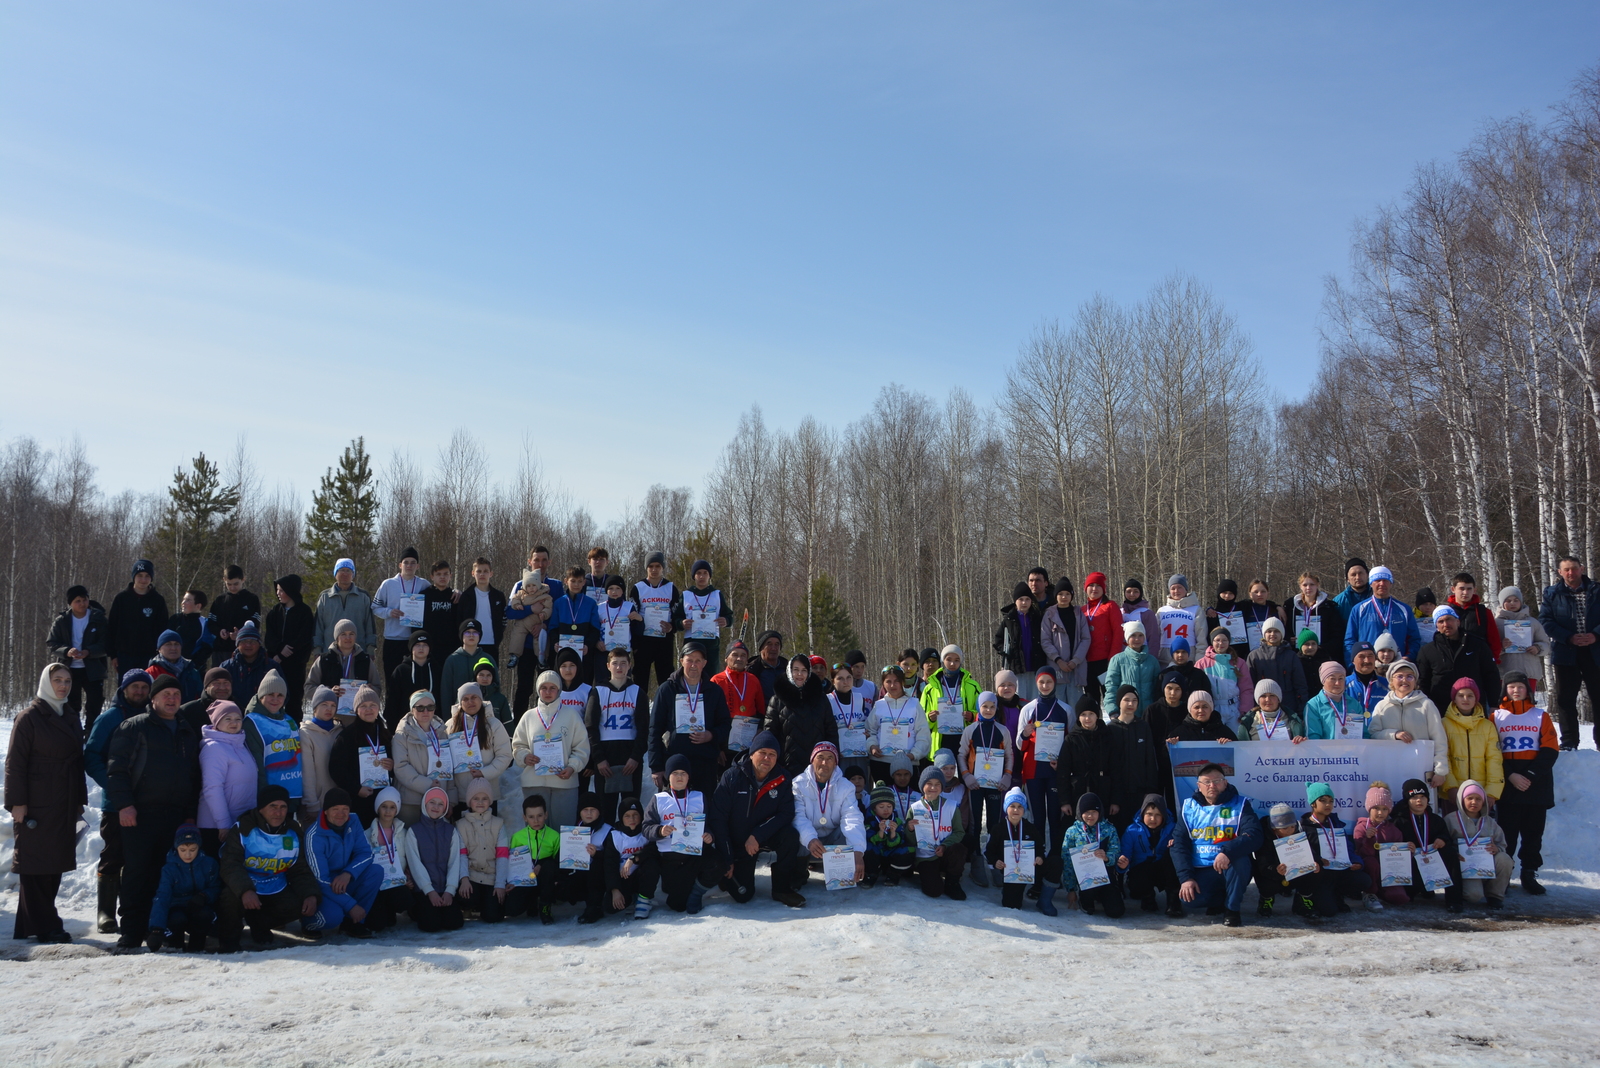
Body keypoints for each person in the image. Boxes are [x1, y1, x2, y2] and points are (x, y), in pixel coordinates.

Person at [106, 673, 202, 948]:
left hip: (174, 816)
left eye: (176, 695)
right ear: (154, 698)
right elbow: (117, 770)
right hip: (140, 814)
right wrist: (125, 805)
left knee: (165, 874)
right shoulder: (134, 727)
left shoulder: (186, 730)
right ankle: (132, 932)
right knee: (137, 873)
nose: (172, 699)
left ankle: (158, 929)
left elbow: (193, 776)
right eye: (166, 695)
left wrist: (189, 813)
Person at [5, 664, 86, 943]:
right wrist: (17, 802)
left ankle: (31, 923)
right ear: (45, 682)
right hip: (37, 800)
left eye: (67, 681)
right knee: (35, 862)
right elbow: (15, 763)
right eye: (57, 680)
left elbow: (78, 762)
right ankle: (46, 925)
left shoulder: (71, 715)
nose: (63, 685)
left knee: (53, 863)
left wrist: (79, 800)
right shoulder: (29, 717)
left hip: (63, 798)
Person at [84, 667, 151, 932]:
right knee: (114, 855)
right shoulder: (110, 718)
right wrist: (114, 787)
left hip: (146, 800)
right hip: (116, 803)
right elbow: (91, 757)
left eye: (145, 687)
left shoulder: (151, 717)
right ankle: (105, 912)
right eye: (135, 686)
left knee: (139, 859)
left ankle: (133, 911)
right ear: (123, 689)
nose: (140, 691)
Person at [707, 730, 805, 908]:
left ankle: (782, 888)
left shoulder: (783, 778)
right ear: (752, 754)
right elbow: (718, 819)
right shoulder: (731, 777)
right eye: (763, 753)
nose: (767, 758)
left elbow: (786, 813)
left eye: (772, 754)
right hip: (736, 842)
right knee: (743, 895)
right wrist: (727, 857)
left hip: (761, 836)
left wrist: (757, 835)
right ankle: (726, 873)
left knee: (790, 835)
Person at [1491, 670, 1558, 896]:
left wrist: (1529, 775)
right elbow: (1492, 752)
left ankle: (1529, 873)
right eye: (1512, 687)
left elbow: (1550, 750)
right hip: (1508, 783)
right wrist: (1511, 775)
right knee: (1507, 833)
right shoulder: (1496, 717)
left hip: (1535, 784)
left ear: (1527, 690)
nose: (1516, 690)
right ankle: (1505, 874)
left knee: (1533, 834)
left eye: (1520, 686)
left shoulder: (1541, 716)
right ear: (1505, 690)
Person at [1170, 762, 1261, 926]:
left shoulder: (1240, 805)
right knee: (1191, 901)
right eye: (1207, 782)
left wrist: (1227, 852)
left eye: (1217, 781)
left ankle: (1232, 910)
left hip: (1230, 866)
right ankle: (1219, 900)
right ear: (1199, 786)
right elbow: (1179, 844)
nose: (1212, 785)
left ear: (1225, 783)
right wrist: (1186, 878)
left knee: (1240, 860)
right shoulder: (1189, 807)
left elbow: (1254, 835)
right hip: (1203, 869)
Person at [640, 755, 721, 914]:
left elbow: (710, 823)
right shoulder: (659, 799)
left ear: (689, 777)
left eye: (683, 773)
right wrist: (659, 830)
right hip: (670, 858)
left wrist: (709, 834)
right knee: (677, 905)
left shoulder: (699, 797)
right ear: (667, 776)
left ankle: (696, 893)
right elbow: (646, 827)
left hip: (694, 854)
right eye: (675, 773)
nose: (679, 777)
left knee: (719, 863)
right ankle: (681, 890)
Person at [512, 669, 592, 830]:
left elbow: (581, 747)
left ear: (559, 690)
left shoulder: (571, 715)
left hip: (564, 783)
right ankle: (538, 857)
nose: (548, 692)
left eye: (552, 688)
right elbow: (518, 745)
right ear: (538, 690)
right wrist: (525, 757)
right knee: (536, 830)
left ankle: (561, 857)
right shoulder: (529, 716)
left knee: (563, 830)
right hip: (534, 783)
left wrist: (572, 767)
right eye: (544, 688)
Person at [1539, 556, 1600, 750]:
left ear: (1581, 569)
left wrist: (1595, 635)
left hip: (1595, 652)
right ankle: (1569, 742)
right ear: (1560, 572)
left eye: (1574, 568)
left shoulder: (1597, 590)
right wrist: (1568, 637)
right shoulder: (1552, 593)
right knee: (1565, 700)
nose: (1570, 573)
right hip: (1566, 653)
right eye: (1566, 569)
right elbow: (1546, 621)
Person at [305, 787, 382, 938]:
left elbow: (366, 853)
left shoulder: (353, 821)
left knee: (376, 871)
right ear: (326, 811)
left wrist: (348, 873)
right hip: (323, 886)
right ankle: (308, 923)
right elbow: (320, 879)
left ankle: (352, 924)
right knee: (333, 916)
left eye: (345, 809)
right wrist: (351, 905)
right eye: (335, 809)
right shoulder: (314, 835)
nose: (341, 814)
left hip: (344, 878)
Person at [790, 741, 867, 890]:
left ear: (835, 763)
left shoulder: (846, 787)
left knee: (849, 833)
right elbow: (798, 817)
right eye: (820, 757)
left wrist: (858, 851)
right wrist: (810, 839)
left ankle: (841, 876)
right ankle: (798, 873)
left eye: (830, 758)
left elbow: (852, 818)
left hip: (833, 837)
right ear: (812, 760)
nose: (824, 762)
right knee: (793, 833)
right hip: (809, 841)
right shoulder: (798, 784)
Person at [957, 691, 1014, 888]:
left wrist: (1007, 776)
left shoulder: (1002, 730)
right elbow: (962, 754)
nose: (988, 710)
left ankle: (994, 862)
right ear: (979, 708)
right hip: (975, 784)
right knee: (974, 824)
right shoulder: (971, 730)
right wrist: (966, 775)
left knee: (994, 822)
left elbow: (1009, 754)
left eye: (992, 706)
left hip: (995, 785)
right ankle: (976, 860)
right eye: (984, 706)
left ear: (996, 708)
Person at [586, 648, 647, 821]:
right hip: (606, 756)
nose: (619, 667)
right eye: (615, 663)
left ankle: (631, 845)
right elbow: (591, 727)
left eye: (623, 663)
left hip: (630, 757)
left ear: (629, 666)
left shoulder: (638, 692)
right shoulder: (598, 692)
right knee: (606, 810)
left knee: (631, 809)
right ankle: (607, 846)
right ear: (608, 666)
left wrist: (635, 757)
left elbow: (643, 729)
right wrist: (598, 759)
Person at [1369, 659, 1449, 788]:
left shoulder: (1426, 705)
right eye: (1399, 676)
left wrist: (1440, 771)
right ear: (1391, 681)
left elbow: (1439, 739)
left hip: (1420, 770)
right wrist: (1394, 734)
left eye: (1409, 676)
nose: (1405, 680)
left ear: (1415, 681)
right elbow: (1373, 734)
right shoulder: (1382, 706)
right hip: (1391, 770)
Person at [328, 688, 395, 830]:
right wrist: (357, 789)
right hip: (357, 800)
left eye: (373, 705)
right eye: (363, 706)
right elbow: (336, 769)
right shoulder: (346, 736)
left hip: (382, 800)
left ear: (378, 708)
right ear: (356, 710)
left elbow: (396, 764)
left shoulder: (385, 734)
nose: (369, 709)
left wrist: (392, 766)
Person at [145, 824, 220, 952]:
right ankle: (175, 945)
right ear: (176, 848)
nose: (187, 854)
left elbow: (216, 887)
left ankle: (197, 947)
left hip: (199, 907)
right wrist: (156, 929)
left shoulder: (209, 864)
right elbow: (162, 897)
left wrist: (204, 896)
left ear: (199, 847)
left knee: (204, 916)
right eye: (183, 850)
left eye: (192, 849)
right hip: (177, 909)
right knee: (177, 919)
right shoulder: (169, 869)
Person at [1299, 782, 1371, 915]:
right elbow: (1304, 852)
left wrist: (1355, 862)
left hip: (1338, 871)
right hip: (1319, 875)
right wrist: (1318, 860)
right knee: (1329, 912)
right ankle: (1303, 900)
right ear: (1313, 803)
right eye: (1323, 801)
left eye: (1331, 801)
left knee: (1363, 880)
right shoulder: (1304, 827)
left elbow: (1347, 847)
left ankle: (1337, 895)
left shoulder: (1336, 823)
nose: (1328, 805)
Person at [198, 700, 258, 858]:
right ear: (217, 722)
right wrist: (223, 824)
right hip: (217, 827)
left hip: (238, 823)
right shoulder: (214, 748)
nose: (234, 723)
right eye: (228, 718)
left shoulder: (240, 744)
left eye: (238, 719)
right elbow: (212, 789)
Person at [1395, 778, 1464, 913]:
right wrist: (1404, 847)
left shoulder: (1436, 820)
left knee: (1450, 853)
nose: (1419, 801)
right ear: (1407, 800)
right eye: (1414, 797)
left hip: (1432, 865)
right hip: (1412, 866)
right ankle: (1418, 890)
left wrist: (1442, 839)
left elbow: (1447, 837)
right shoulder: (1399, 821)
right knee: (1407, 896)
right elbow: (1392, 846)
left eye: (1422, 797)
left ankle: (1454, 900)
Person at [1417, 606, 1502, 715]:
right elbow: (1423, 682)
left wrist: (1494, 704)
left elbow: (1491, 675)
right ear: (1436, 626)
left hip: (1474, 709)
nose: (1446, 624)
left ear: (1458, 621)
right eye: (1441, 621)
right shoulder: (1427, 651)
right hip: (1441, 711)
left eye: (1449, 619)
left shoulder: (1477, 645)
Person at [403, 787, 466, 932]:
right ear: (425, 804)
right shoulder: (414, 831)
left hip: (445, 888)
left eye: (440, 804)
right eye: (432, 802)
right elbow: (415, 864)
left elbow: (454, 861)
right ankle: (416, 910)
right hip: (424, 890)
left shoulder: (450, 830)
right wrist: (429, 891)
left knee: (454, 923)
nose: (436, 807)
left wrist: (450, 890)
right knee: (430, 926)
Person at [446, 681, 514, 812]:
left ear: (481, 699)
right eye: (465, 699)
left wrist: (484, 773)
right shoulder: (450, 726)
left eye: (474, 697)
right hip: (460, 794)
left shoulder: (494, 724)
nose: (470, 702)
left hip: (487, 793)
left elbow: (505, 755)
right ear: (460, 703)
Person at [47, 586, 109, 729]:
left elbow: (106, 643)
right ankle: (73, 733)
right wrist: (67, 651)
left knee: (95, 703)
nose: (82, 603)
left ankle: (91, 734)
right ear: (70, 603)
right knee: (71, 705)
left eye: (84, 599)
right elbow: (52, 643)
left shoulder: (98, 619)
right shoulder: (61, 621)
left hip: (93, 670)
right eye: (77, 601)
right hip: (69, 670)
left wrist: (89, 652)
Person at [242, 670, 304, 808]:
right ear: (261, 695)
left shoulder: (289, 720)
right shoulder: (252, 722)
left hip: (292, 794)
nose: (275, 699)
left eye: (280, 695)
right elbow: (256, 765)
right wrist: (264, 799)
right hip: (269, 798)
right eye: (270, 694)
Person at [1440, 678, 1505, 808]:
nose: (1466, 699)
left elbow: (1494, 759)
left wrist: (1492, 791)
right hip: (1453, 793)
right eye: (1461, 695)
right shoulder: (1444, 724)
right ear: (1454, 699)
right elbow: (1443, 757)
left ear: (1476, 699)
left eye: (1470, 696)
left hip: (1480, 795)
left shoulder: (1487, 726)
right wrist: (1450, 786)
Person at [1106, 683, 1163, 833]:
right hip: (1119, 793)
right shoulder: (1111, 729)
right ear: (1119, 702)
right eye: (1126, 700)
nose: (1131, 704)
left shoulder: (1143, 727)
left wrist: (1150, 791)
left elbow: (1150, 759)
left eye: (1134, 700)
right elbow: (1108, 764)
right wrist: (1113, 798)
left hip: (1140, 792)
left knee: (1140, 831)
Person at [502, 549, 555, 709]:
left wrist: (544, 625)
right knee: (524, 688)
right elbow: (510, 612)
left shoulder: (556, 585)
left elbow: (559, 612)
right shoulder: (520, 585)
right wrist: (530, 609)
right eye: (536, 560)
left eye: (544, 560)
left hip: (545, 645)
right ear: (529, 562)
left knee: (548, 689)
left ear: (549, 562)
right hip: (524, 646)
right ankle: (519, 727)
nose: (540, 564)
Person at [1253, 802, 1322, 922]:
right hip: (1274, 876)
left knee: (1314, 872)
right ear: (1275, 828)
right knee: (1263, 878)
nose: (1290, 830)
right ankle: (1266, 900)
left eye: (1292, 826)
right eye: (1285, 828)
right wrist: (1275, 869)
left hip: (1295, 873)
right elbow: (1262, 863)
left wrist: (1316, 863)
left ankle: (1303, 901)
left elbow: (1312, 853)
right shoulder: (1265, 838)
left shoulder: (1299, 834)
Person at [453, 779, 509, 925]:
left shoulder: (499, 824)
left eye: (484, 798)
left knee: (493, 917)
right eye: (475, 798)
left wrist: (499, 884)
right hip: (471, 876)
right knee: (466, 898)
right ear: (469, 801)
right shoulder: (461, 825)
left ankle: (485, 903)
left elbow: (502, 857)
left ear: (490, 801)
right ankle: (470, 905)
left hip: (491, 876)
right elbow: (462, 855)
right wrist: (464, 879)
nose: (480, 802)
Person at [393, 690, 453, 824]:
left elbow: (449, 767)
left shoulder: (442, 732)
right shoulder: (402, 734)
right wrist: (427, 784)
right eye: (420, 708)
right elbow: (401, 767)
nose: (425, 711)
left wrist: (451, 799)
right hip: (411, 800)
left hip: (438, 799)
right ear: (412, 709)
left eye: (430, 707)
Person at [907, 765, 967, 899]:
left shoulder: (951, 806)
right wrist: (910, 830)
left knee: (959, 849)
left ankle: (952, 882)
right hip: (925, 856)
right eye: (929, 784)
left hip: (946, 853)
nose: (933, 788)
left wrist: (945, 846)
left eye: (937, 784)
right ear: (922, 786)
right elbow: (910, 841)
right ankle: (930, 874)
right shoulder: (915, 808)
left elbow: (959, 832)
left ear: (942, 786)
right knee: (934, 892)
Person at [1450, 779, 1512, 909]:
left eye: (1478, 799)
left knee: (1505, 859)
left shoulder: (1490, 822)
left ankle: (1495, 895)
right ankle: (1467, 888)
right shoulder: (1450, 820)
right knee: (1474, 897)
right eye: (1470, 798)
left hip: (1487, 865)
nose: (1474, 802)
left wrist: (1497, 849)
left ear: (1483, 801)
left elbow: (1502, 844)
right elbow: (1444, 842)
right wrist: (1454, 853)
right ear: (1462, 799)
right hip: (1465, 868)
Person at [1061, 792, 1125, 917]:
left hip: (1105, 877)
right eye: (1086, 812)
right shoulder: (1072, 832)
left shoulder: (1109, 829)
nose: (1090, 816)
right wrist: (1071, 889)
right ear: (1080, 812)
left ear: (1099, 812)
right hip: (1085, 879)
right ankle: (1085, 900)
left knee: (1116, 912)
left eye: (1094, 812)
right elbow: (1067, 861)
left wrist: (1107, 857)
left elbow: (1116, 851)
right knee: (1089, 908)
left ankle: (1104, 896)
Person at [106, 559, 170, 678]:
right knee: (126, 690)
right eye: (140, 575)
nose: (143, 580)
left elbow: (162, 628)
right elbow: (112, 628)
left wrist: (161, 653)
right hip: (125, 655)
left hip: (149, 656)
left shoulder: (157, 600)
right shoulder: (121, 599)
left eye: (147, 576)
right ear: (134, 576)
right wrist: (113, 655)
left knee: (148, 689)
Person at [1122, 794, 1183, 917]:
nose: (1152, 818)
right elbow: (1125, 853)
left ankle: (1173, 901)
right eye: (1149, 814)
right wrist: (1123, 863)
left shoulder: (1173, 828)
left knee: (1173, 855)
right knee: (1137, 879)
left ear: (1164, 816)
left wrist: (1176, 844)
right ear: (1143, 814)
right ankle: (1147, 897)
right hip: (1142, 869)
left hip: (1164, 869)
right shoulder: (1132, 830)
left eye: (1157, 815)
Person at [502, 793, 560, 924]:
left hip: (545, 876)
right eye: (531, 817)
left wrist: (543, 864)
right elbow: (513, 862)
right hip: (525, 877)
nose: (536, 820)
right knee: (512, 910)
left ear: (546, 815)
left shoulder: (554, 836)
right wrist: (510, 880)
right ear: (524, 818)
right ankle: (531, 902)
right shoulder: (518, 837)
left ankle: (545, 906)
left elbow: (557, 861)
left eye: (540, 816)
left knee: (549, 868)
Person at [1343, 565, 1421, 662]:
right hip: (1369, 665)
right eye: (1377, 581)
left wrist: (1408, 658)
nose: (1382, 584)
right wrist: (1354, 665)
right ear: (1371, 583)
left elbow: (1414, 639)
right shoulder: (1359, 609)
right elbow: (1350, 640)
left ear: (1391, 583)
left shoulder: (1404, 609)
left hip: (1397, 666)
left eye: (1385, 580)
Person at [865, 665, 927, 786]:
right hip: (881, 762)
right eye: (888, 681)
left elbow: (923, 734)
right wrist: (872, 746)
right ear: (883, 683)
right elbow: (869, 730)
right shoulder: (879, 705)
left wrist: (914, 754)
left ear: (903, 682)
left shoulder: (914, 704)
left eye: (897, 681)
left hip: (907, 763)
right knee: (883, 803)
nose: (892, 685)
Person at [304, 618, 383, 712]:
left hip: (358, 716)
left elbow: (377, 689)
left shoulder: (365, 660)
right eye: (343, 634)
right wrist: (327, 692)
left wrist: (369, 690)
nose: (348, 638)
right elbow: (309, 688)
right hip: (329, 715)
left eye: (351, 634)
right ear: (336, 637)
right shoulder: (324, 660)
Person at [263, 575, 314, 717]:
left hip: (295, 664)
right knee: (273, 697)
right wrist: (278, 651)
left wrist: (289, 650)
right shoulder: (274, 612)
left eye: (281, 590)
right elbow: (269, 637)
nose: (278, 593)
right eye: (277, 590)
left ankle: (294, 730)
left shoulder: (304, 612)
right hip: (276, 663)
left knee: (294, 699)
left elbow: (304, 637)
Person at [917, 644, 979, 760]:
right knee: (942, 776)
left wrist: (972, 716)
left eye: (956, 660)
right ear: (943, 661)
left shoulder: (973, 686)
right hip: (941, 739)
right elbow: (919, 718)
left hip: (964, 739)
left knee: (964, 776)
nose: (952, 664)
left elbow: (983, 712)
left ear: (961, 662)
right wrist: (930, 718)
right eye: (948, 659)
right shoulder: (930, 688)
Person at [985, 786, 1043, 910]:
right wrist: (996, 862)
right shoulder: (998, 828)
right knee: (1011, 905)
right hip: (1008, 870)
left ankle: (1043, 897)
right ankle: (1009, 890)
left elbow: (1039, 847)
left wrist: (1039, 857)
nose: (1016, 810)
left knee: (1053, 863)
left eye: (1020, 806)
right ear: (1006, 808)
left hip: (1027, 868)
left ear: (1024, 809)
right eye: (1012, 806)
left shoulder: (1030, 828)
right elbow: (989, 851)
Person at [1352, 782, 1407, 908]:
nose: (1380, 813)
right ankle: (1370, 893)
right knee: (1371, 862)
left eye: (1384, 809)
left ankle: (1384, 891)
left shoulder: (1394, 829)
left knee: (1400, 899)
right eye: (1376, 808)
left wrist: (1408, 850)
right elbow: (1361, 854)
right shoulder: (1361, 827)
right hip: (1370, 869)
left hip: (1389, 870)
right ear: (1369, 808)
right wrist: (1369, 839)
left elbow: (1400, 855)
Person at [363, 787, 411, 931]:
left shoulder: (404, 833)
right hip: (376, 885)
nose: (388, 811)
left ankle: (390, 910)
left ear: (397, 810)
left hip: (396, 881)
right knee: (377, 925)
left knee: (406, 900)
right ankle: (382, 911)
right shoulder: (367, 834)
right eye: (384, 806)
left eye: (392, 807)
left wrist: (407, 876)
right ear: (378, 808)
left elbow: (410, 858)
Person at [1062, 696, 1113, 829]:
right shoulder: (1071, 739)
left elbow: (1116, 769)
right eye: (1083, 714)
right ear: (1078, 717)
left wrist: (1116, 801)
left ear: (1097, 715)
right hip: (1077, 792)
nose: (1087, 718)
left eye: (1091, 714)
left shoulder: (1107, 736)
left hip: (1103, 791)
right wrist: (1065, 801)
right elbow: (1063, 772)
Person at [601, 797, 656, 919]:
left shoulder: (646, 832)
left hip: (642, 874)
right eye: (627, 816)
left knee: (652, 863)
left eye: (635, 815)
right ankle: (631, 899)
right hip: (623, 878)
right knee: (610, 907)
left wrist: (634, 858)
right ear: (621, 817)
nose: (632, 819)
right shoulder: (615, 836)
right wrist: (614, 889)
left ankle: (644, 900)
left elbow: (653, 851)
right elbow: (610, 864)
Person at [632, 552, 678, 694]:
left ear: (662, 567)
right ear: (646, 568)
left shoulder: (671, 587)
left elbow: (678, 614)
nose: (654, 569)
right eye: (651, 566)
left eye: (657, 566)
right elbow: (633, 616)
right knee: (640, 678)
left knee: (666, 678)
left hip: (663, 639)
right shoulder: (638, 587)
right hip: (643, 640)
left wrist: (672, 627)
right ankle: (640, 712)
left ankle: (666, 711)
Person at [712, 640, 766, 763]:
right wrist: (717, 748)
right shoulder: (716, 680)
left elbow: (761, 710)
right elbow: (709, 716)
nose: (739, 658)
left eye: (743, 655)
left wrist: (760, 730)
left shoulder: (753, 680)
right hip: (724, 739)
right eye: (735, 654)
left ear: (747, 660)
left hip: (749, 738)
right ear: (726, 658)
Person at [298, 686, 344, 826]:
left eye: (333, 705)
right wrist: (311, 804)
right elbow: (307, 772)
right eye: (324, 705)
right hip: (317, 803)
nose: (329, 709)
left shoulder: (340, 731)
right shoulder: (306, 734)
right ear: (315, 708)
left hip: (338, 803)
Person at [312, 559, 376, 658]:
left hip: (358, 654)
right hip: (329, 654)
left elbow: (370, 626)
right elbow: (318, 627)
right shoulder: (325, 597)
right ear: (335, 573)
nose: (345, 574)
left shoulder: (363, 597)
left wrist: (370, 650)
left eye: (348, 570)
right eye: (341, 570)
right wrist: (317, 650)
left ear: (353, 574)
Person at [673, 560, 731, 670]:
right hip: (692, 641)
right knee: (691, 672)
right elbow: (675, 618)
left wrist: (726, 621)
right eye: (698, 573)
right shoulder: (686, 595)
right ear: (694, 576)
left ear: (709, 576)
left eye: (705, 573)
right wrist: (681, 623)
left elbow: (728, 615)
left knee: (711, 676)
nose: (702, 576)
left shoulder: (717, 594)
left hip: (711, 643)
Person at [1195, 626, 1254, 734]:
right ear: (1212, 641)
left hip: (1234, 710)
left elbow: (1246, 689)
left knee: (1236, 740)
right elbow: (1196, 691)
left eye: (1224, 640)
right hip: (1212, 709)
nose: (1221, 643)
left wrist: (1244, 711)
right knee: (1215, 741)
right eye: (1217, 640)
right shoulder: (1202, 664)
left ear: (1229, 642)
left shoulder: (1239, 662)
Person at [1247, 617, 1308, 720]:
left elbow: (1300, 685)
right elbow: (1249, 686)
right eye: (1269, 631)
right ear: (1264, 634)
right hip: (1263, 709)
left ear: (1282, 634)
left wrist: (1301, 710)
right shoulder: (1254, 656)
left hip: (1288, 708)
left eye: (1276, 631)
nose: (1272, 634)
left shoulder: (1291, 656)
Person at [1039, 580, 1088, 706]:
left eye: (1067, 594)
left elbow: (1085, 638)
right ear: (1056, 596)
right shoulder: (1049, 614)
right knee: (1058, 705)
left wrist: (1075, 660)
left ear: (1072, 595)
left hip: (1075, 668)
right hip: (1056, 667)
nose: (1064, 597)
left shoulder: (1078, 613)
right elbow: (1045, 640)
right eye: (1061, 594)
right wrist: (1058, 660)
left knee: (1075, 705)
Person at [1494, 587, 1550, 697]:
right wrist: (1501, 647)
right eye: (1508, 601)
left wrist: (1537, 648)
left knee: (1528, 707)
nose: (1512, 603)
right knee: (1506, 707)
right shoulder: (1495, 623)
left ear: (1521, 602)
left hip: (1529, 672)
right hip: (1505, 672)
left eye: (1516, 600)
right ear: (1502, 603)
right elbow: (1489, 648)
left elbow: (1546, 644)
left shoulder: (1533, 622)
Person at [994, 583, 1048, 696]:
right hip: (1017, 665)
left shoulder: (1037, 617)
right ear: (1015, 601)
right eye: (1021, 599)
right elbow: (998, 639)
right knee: (1020, 696)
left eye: (1027, 599)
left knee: (1035, 697)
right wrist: (1005, 652)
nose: (1024, 603)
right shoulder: (1009, 619)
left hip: (1035, 665)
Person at [454, 558, 507, 667]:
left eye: (485, 571)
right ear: (473, 573)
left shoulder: (498, 596)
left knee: (490, 678)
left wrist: (498, 636)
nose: (482, 574)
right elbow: (459, 620)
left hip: (491, 644)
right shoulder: (466, 596)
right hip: (471, 645)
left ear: (491, 573)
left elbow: (503, 620)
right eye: (479, 571)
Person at [1080, 572, 1124, 704]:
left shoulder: (1110, 606)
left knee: (1110, 695)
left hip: (1105, 661)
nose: (1094, 589)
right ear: (1086, 588)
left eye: (1098, 585)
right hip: (1087, 661)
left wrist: (1113, 658)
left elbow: (1118, 632)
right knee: (1091, 698)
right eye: (1091, 585)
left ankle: (1113, 723)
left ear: (1103, 589)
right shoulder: (1082, 610)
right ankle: (1094, 724)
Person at [1287, 571, 1347, 667]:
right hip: (1299, 657)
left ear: (1317, 585)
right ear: (1300, 586)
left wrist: (1321, 647)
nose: (1308, 588)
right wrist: (1290, 639)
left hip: (1322, 657)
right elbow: (1286, 630)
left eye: (1312, 584)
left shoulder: (1328, 607)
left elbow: (1337, 634)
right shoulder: (1291, 607)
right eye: (1305, 584)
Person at [1100, 620, 1158, 718]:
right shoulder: (1117, 660)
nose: (1137, 639)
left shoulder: (1152, 661)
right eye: (1133, 635)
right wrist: (1113, 711)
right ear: (1127, 638)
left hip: (1148, 715)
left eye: (1140, 635)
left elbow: (1157, 689)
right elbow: (1111, 687)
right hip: (1125, 715)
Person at [863, 784, 915, 889]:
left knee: (908, 849)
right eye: (881, 807)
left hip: (890, 855)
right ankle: (871, 875)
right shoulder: (869, 820)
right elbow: (869, 839)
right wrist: (880, 832)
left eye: (889, 806)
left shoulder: (896, 820)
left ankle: (893, 875)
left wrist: (893, 833)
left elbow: (900, 840)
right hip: (876, 855)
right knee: (866, 848)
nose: (886, 810)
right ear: (874, 807)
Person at [209, 565, 262, 669]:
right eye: (229, 584)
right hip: (220, 650)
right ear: (224, 580)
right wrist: (220, 631)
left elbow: (255, 623)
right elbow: (211, 623)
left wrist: (240, 634)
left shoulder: (252, 599)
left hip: (243, 650)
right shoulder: (219, 600)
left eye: (236, 584)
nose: (233, 587)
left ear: (243, 579)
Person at [386, 631, 438, 728]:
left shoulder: (436, 669)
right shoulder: (401, 670)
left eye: (425, 645)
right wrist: (393, 726)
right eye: (417, 645)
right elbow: (392, 701)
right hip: (406, 725)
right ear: (411, 647)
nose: (421, 648)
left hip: (432, 724)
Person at [1304, 661, 1368, 739]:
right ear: (1323, 681)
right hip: (1326, 750)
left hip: (1353, 750)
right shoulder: (1314, 705)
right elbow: (1313, 736)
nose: (1337, 683)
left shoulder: (1354, 703)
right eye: (1332, 679)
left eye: (1341, 678)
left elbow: (1364, 734)